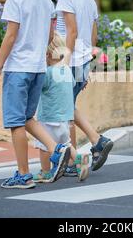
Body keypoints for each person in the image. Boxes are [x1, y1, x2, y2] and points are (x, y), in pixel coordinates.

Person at [0, 0, 70, 189]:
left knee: (15, 123)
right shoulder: (46, 0)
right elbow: (50, 35)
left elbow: (10, 37)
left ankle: (23, 175)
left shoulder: (15, 1)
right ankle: (57, 151)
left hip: (17, 70)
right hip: (37, 69)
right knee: (27, 118)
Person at [54, 0, 114, 175]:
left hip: (67, 62)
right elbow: (92, 34)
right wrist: (86, 63)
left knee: (64, 114)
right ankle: (96, 141)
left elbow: (72, 31)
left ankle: (72, 162)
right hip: (82, 62)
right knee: (68, 108)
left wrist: (65, 61)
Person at [33, 32, 90, 183]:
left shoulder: (48, 73)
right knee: (66, 144)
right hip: (65, 119)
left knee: (44, 146)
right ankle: (78, 159)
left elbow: (38, 88)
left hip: (49, 118)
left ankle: (45, 171)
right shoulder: (66, 72)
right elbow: (69, 87)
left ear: (48, 54)